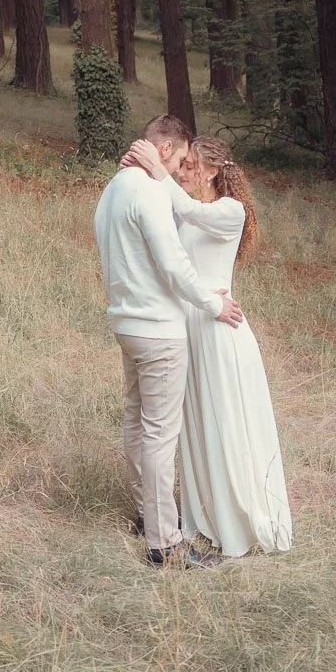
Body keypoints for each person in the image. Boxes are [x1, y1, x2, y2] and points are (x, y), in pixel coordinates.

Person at [122, 135, 293, 558]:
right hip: (189, 326)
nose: (183, 172)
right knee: (193, 423)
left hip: (219, 331)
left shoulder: (229, 211)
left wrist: (159, 172)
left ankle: (237, 514)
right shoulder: (188, 214)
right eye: (182, 165)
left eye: (191, 165)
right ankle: (200, 514)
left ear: (213, 171)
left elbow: (189, 209)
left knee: (224, 419)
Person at [93, 115, 243, 568]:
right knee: (160, 435)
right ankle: (165, 544)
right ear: (164, 150)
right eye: (179, 158)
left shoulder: (115, 188)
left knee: (138, 423)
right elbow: (175, 264)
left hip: (126, 322)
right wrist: (212, 304)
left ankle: (145, 513)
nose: (180, 169)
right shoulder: (148, 192)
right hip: (158, 329)